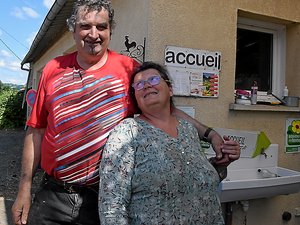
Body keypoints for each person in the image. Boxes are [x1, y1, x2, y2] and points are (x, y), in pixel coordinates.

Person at [12, 0, 239, 224]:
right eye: (85, 26)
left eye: (101, 26)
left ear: (110, 31)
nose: (94, 34)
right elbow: (37, 131)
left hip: (102, 198)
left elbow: (167, 110)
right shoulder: (53, 68)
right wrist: (24, 188)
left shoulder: (128, 70)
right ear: (73, 30)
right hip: (54, 195)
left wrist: (210, 134)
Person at [99, 62, 240, 225]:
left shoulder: (188, 130)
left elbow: (194, 180)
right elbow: (112, 206)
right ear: (136, 98)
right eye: (139, 84)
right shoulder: (126, 133)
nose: (146, 86)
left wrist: (222, 163)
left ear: (170, 89)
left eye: (153, 79)